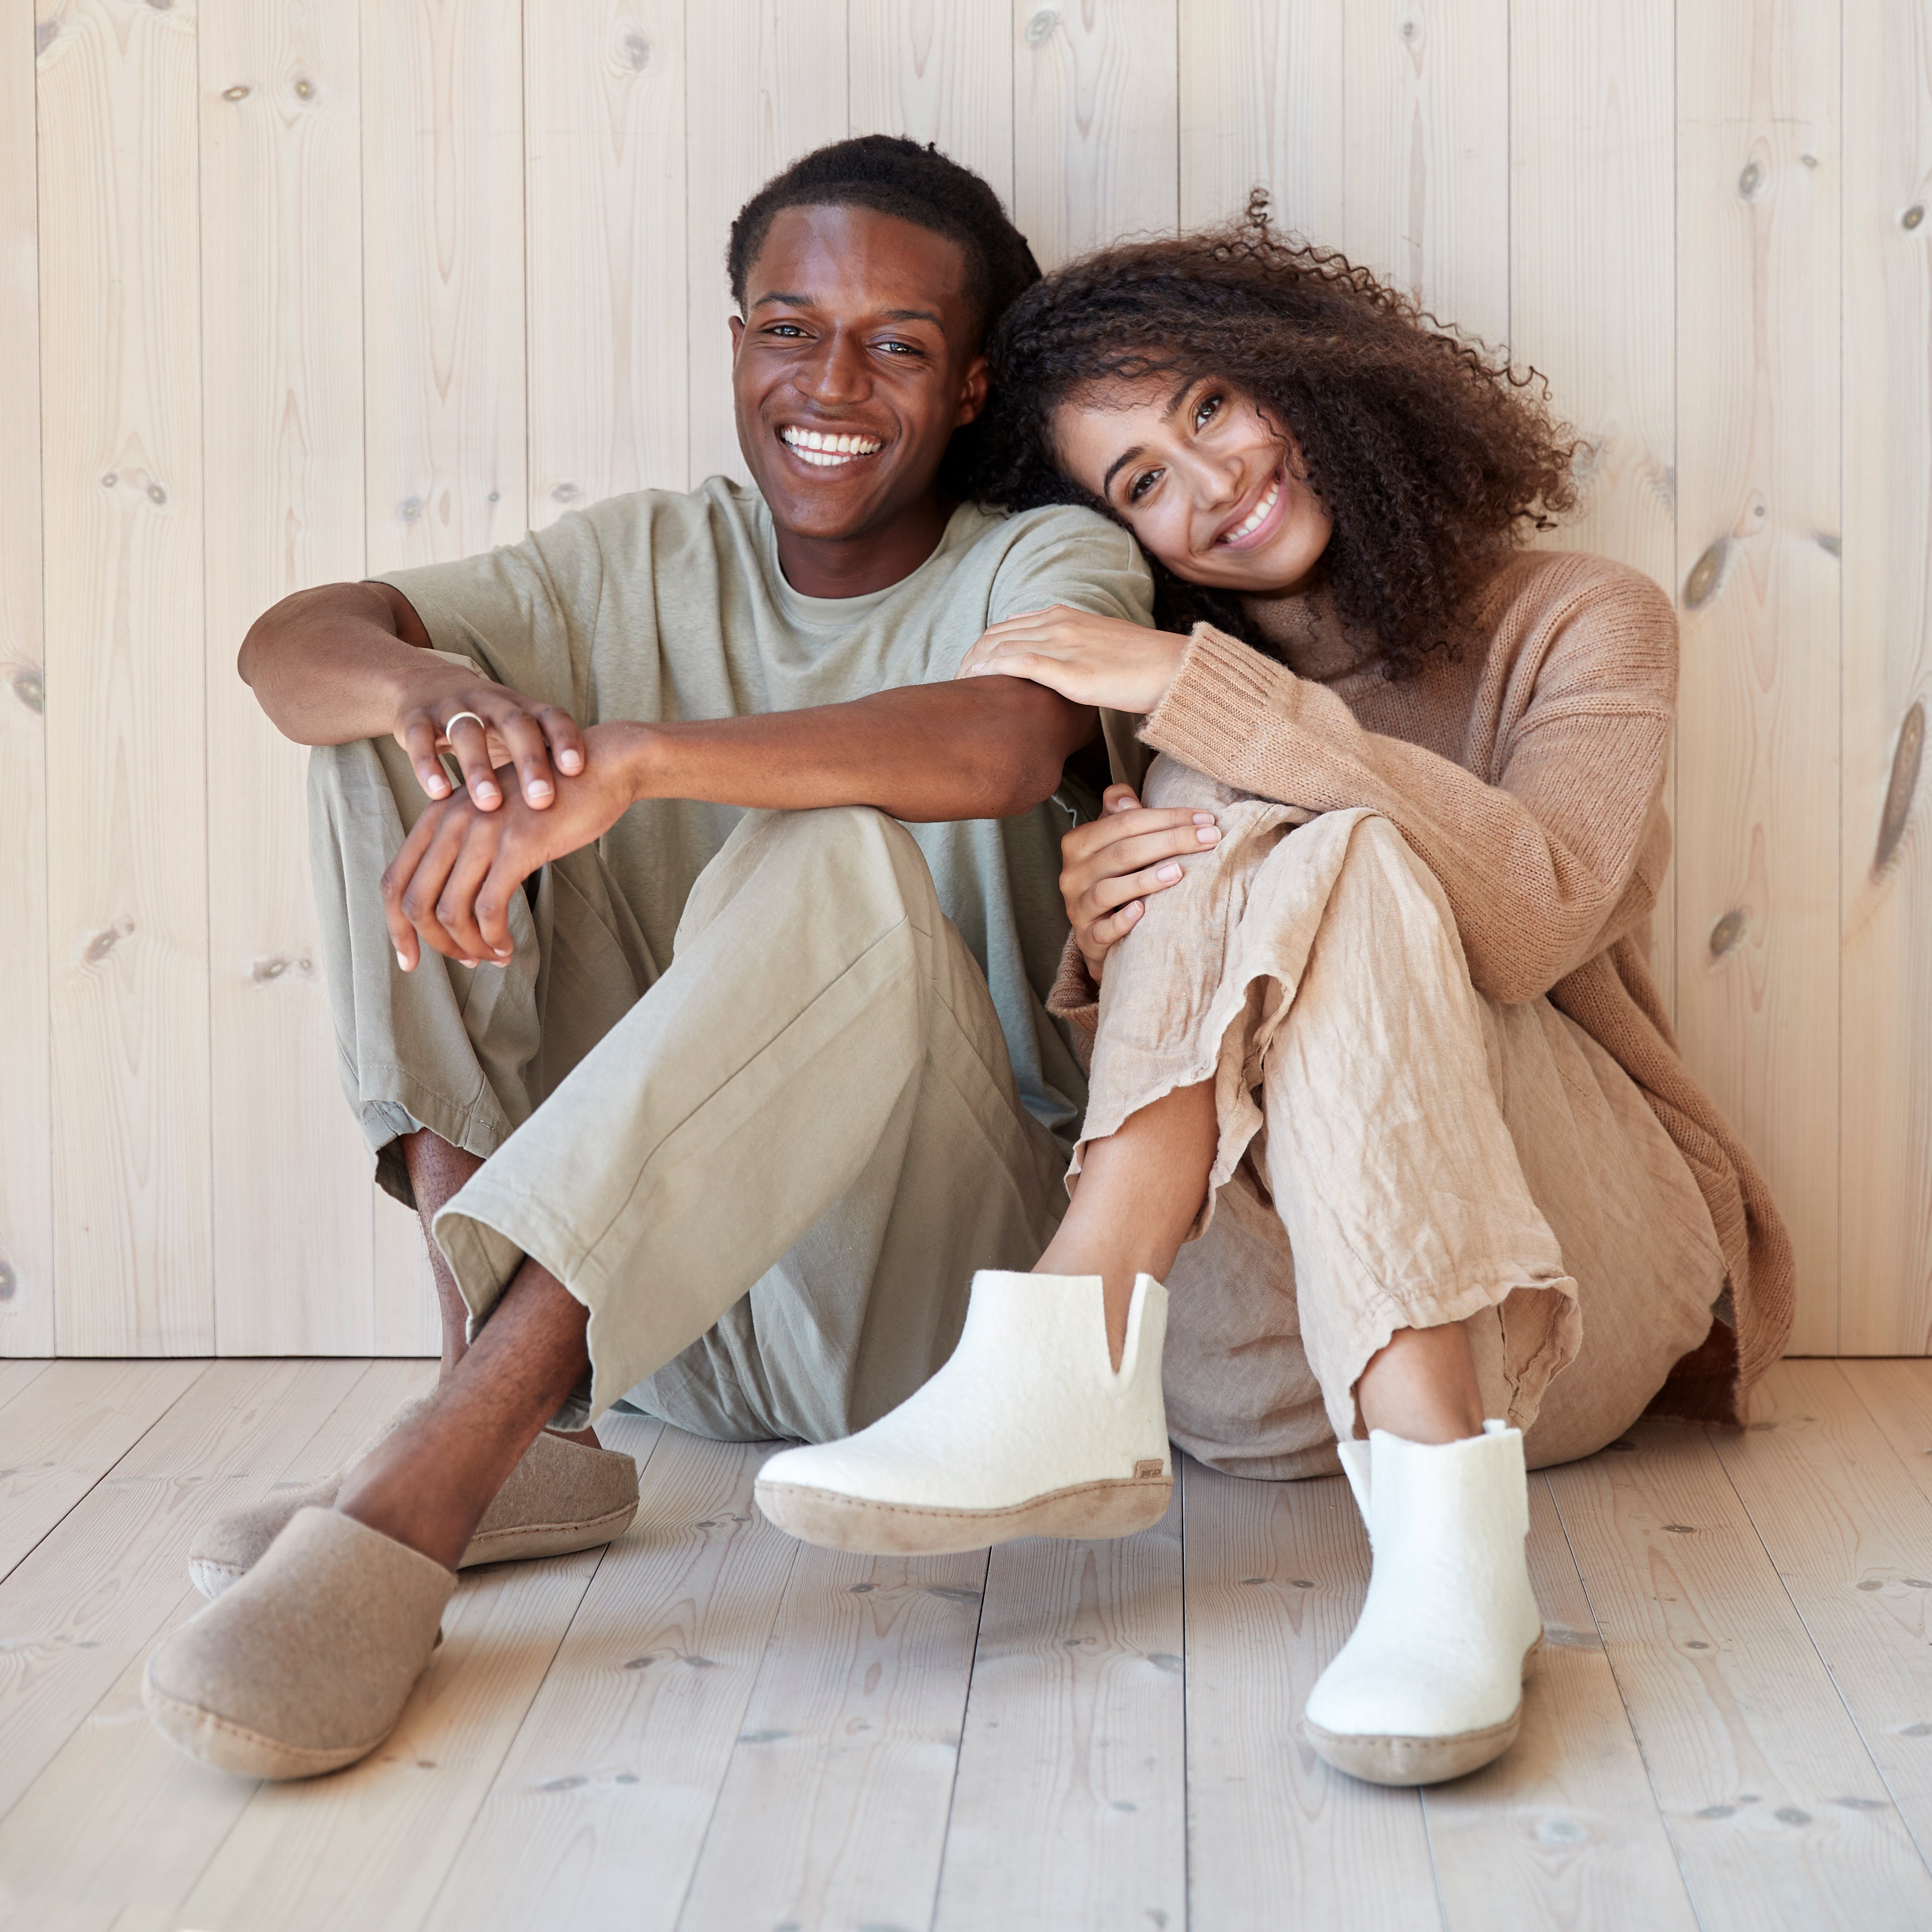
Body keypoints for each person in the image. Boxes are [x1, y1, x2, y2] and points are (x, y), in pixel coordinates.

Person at [141, 136, 1172, 1782]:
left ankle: (427, 1485)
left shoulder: (1041, 560)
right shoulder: (634, 557)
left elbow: (1000, 742)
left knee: (828, 846)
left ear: (973, 385)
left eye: (897, 344)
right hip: (665, 1311)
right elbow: (293, 649)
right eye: (787, 326)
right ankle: (527, 1421)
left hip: (925, 1305)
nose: (830, 379)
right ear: (737, 340)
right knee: (400, 723)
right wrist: (429, 704)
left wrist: (637, 759)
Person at [756, 210, 1794, 1788]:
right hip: (1262, 1371)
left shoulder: (1580, 617)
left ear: (1312, 371)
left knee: (1342, 848)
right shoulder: (1157, 713)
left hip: (1569, 1300)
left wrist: (1211, 704)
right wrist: (1094, 957)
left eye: (1211, 408)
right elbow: (1196, 1074)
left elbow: (1530, 919)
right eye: (1143, 486)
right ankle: (1149, 1396)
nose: (1211, 483)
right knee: (1245, 835)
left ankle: (1101, 1358)